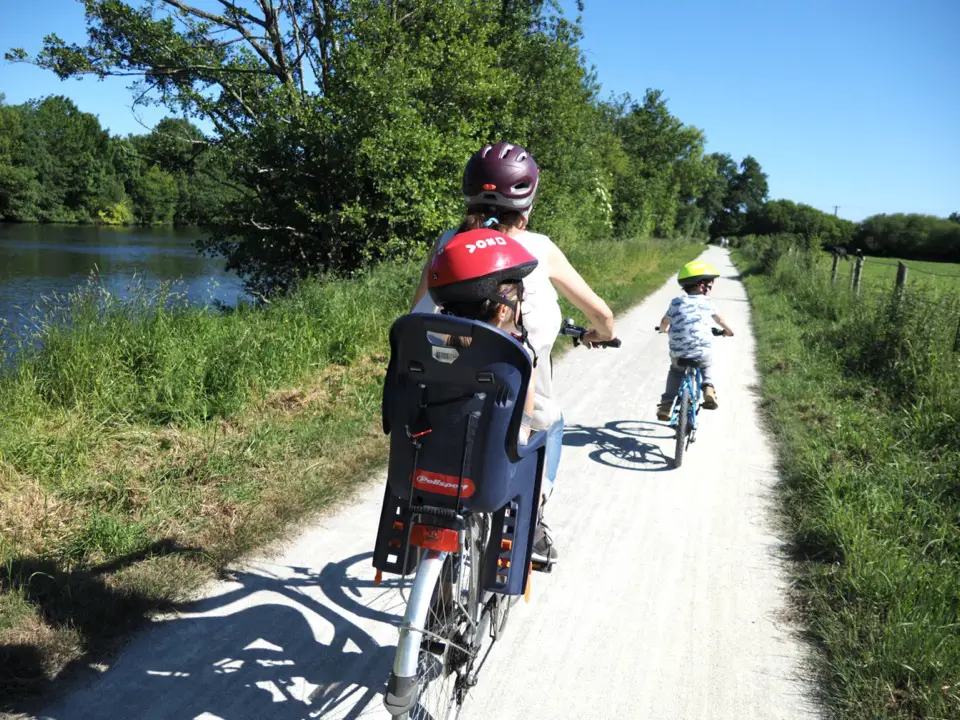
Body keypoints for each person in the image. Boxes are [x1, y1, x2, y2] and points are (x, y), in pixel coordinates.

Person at [411, 142, 617, 567]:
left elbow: (417, 314)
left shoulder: (448, 243)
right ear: (528, 199)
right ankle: (534, 520)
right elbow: (601, 313)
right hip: (512, 401)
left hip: (441, 396)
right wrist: (600, 333)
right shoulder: (539, 249)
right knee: (551, 420)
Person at [425, 227, 538, 446]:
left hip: (432, 450)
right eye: (519, 298)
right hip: (487, 460)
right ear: (502, 311)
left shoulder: (429, 344)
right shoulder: (515, 355)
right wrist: (523, 430)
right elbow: (522, 427)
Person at [656, 260, 734, 421]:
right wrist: (728, 331)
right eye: (710, 287)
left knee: (676, 371)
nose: (710, 291)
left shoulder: (676, 302)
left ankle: (666, 404)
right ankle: (708, 387)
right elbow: (720, 320)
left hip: (679, 353)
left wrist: (664, 330)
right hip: (701, 352)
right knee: (706, 363)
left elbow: (665, 321)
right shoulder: (707, 302)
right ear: (701, 285)